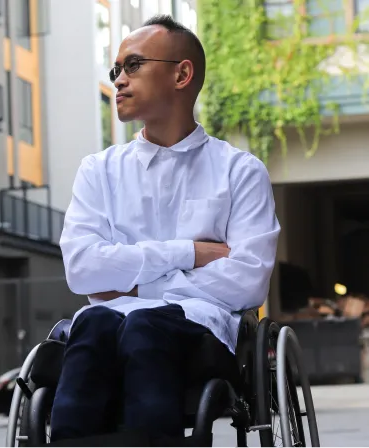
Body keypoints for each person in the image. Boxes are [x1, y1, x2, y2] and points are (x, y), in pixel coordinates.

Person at [50, 14, 280, 444]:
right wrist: (189, 253)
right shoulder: (97, 170)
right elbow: (82, 271)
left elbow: (247, 281)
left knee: (143, 326)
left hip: (200, 330)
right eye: (116, 69)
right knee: (93, 323)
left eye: (133, 65)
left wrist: (136, 289)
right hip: (105, 323)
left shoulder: (239, 171)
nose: (119, 79)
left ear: (182, 74)